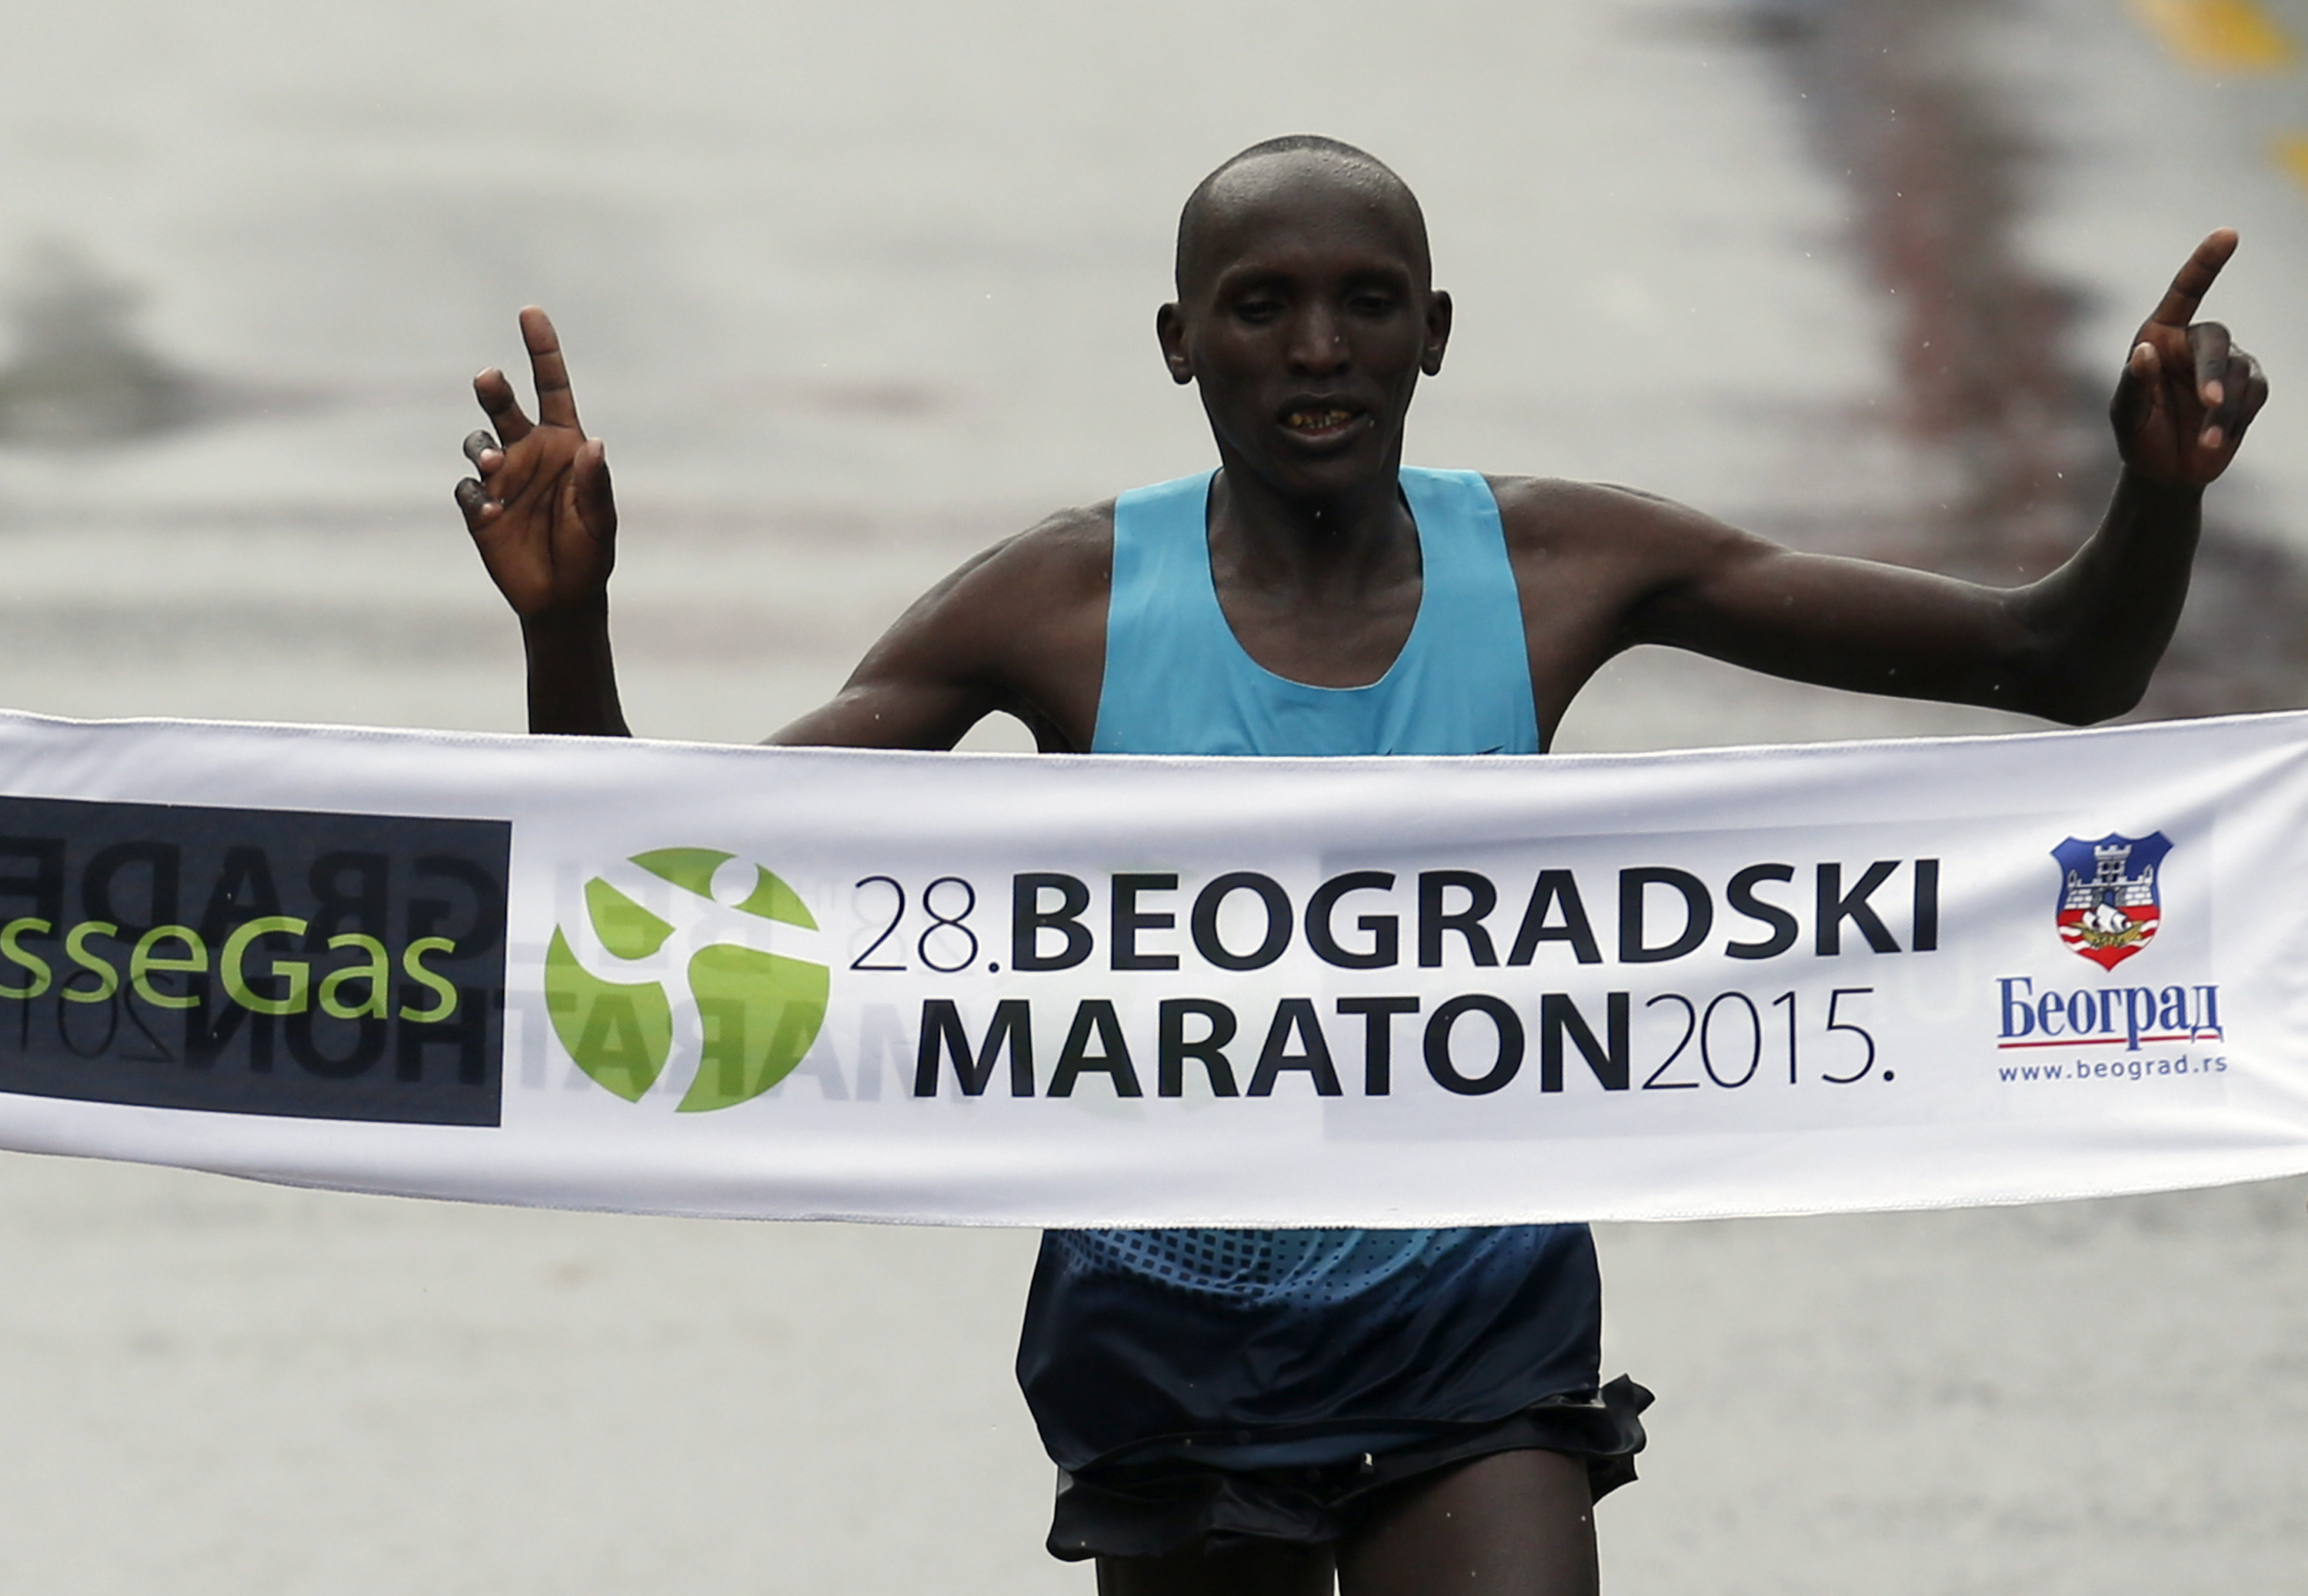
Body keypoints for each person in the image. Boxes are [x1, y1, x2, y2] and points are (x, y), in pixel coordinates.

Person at [452, 135, 2265, 1596]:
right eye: (1260, 306)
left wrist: (2158, 499)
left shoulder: (1567, 565)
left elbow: (2062, 663)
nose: (1316, 346)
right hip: (1169, 1343)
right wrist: (569, 628)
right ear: (1179, 343)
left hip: (1476, 1331)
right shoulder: (1058, 607)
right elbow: (661, 895)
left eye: (1364, 303)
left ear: (1436, 331)